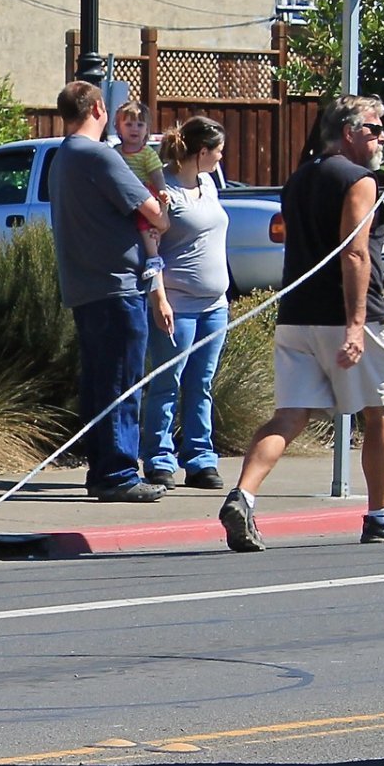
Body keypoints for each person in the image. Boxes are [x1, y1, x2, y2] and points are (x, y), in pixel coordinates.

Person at [219, 95, 384, 550]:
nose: (382, 138)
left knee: (290, 415)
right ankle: (381, 516)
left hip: (297, 316)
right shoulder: (359, 180)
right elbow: (354, 252)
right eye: (375, 130)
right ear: (350, 132)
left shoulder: (299, 179)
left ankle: (243, 496)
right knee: (382, 413)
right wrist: (356, 325)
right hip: (350, 315)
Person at [47, 81, 170, 502]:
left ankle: (103, 470)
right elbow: (154, 213)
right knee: (121, 381)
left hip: (85, 287)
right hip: (116, 286)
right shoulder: (99, 155)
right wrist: (163, 209)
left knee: (102, 382)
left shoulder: (62, 156)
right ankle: (118, 473)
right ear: (98, 108)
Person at [140, 117, 231, 490]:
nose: (221, 157)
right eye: (218, 151)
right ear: (202, 152)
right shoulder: (165, 189)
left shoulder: (208, 184)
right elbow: (150, 244)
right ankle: (159, 458)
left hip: (214, 305)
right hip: (177, 304)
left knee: (201, 383)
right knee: (167, 382)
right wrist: (158, 294)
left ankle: (199, 458)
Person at [113, 98, 164, 188]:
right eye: (129, 124)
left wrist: (162, 190)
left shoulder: (147, 154)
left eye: (140, 125)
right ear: (118, 128)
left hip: (143, 192)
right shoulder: (116, 152)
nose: (135, 129)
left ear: (147, 130)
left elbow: (157, 175)